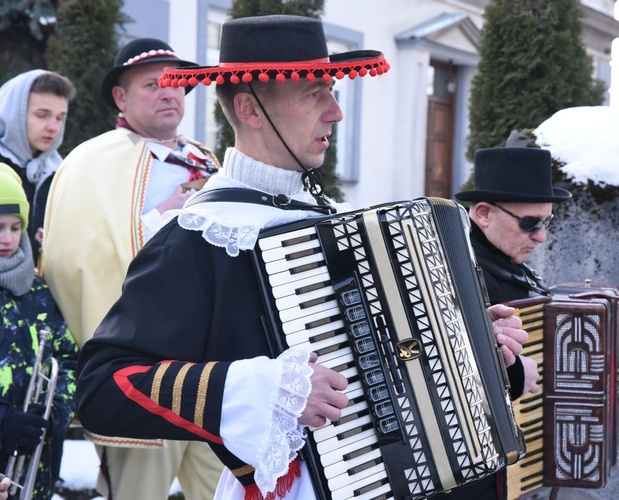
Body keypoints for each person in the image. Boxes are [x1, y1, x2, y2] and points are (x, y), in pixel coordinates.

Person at [74, 15, 527, 500]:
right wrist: (268, 389)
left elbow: (396, 365)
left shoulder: (340, 224)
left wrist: (473, 347)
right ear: (250, 108)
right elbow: (103, 387)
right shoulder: (199, 237)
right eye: (315, 93)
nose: (335, 112)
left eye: (330, 90)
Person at [41, 38, 223, 500]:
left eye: (177, 83)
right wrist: (164, 217)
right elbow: (76, 259)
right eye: (152, 84)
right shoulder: (91, 162)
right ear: (121, 97)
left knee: (227, 489)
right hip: (144, 371)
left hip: (213, 370)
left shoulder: (207, 159)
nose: (169, 92)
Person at [454, 147, 619, 498]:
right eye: (530, 223)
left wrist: (597, 372)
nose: (541, 237)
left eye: (546, 222)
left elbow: (537, 363)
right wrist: (509, 375)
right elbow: (443, 379)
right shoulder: (459, 273)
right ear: (483, 214)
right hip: (471, 481)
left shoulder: (510, 268)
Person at [0, 163, 78, 499]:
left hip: (38, 464)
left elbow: (69, 359)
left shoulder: (40, 292)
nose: (7, 238)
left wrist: (51, 414)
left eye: (16, 227)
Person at [0, 70, 76, 263]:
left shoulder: (62, 172)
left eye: (60, 118)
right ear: (12, 113)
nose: (53, 127)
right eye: (42, 115)